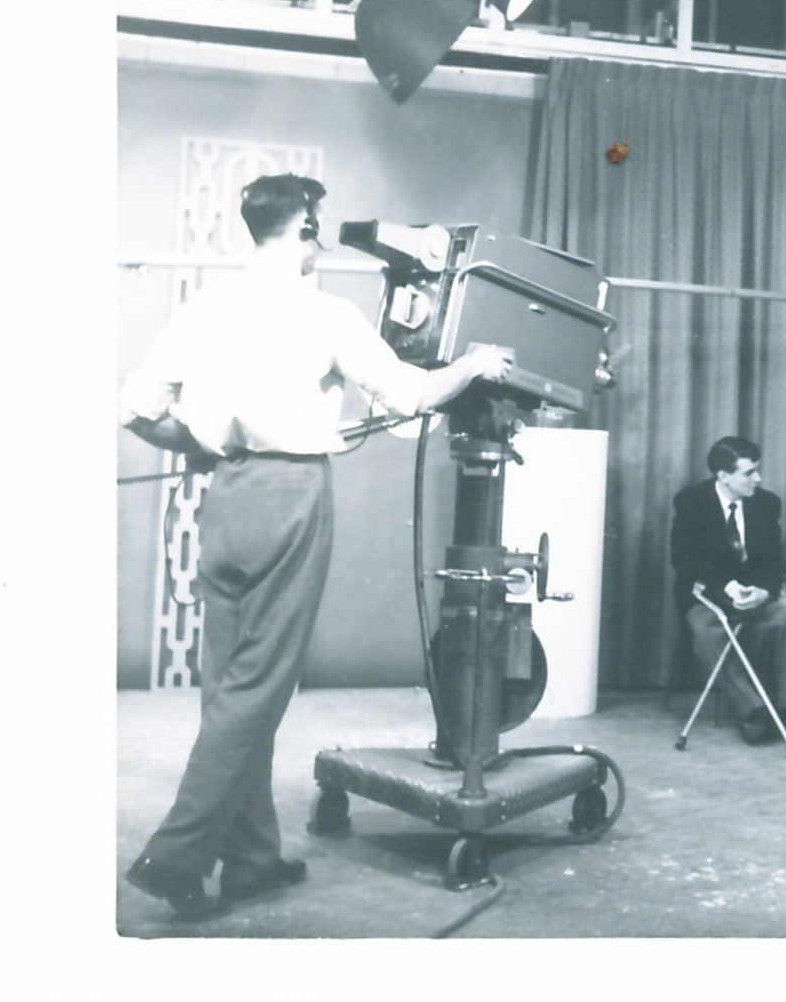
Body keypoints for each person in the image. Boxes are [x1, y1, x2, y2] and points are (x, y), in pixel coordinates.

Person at [118, 174, 513, 920]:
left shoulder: (203, 308)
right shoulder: (325, 314)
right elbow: (409, 394)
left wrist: (201, 448)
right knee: (256, 690)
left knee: (229, 687)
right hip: (290, 494)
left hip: (227, 497)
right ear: (304, 226)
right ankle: (175, 859)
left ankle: (251, 860)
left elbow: (136, 410)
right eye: (318, 223)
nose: (322, 236)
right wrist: (472, 366)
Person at [671, 436, 786, 746]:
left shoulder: (766, 503)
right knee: (708, 635)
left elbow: (774, 561)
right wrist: (728, 586)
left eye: (757, 470)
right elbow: (684, 559)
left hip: (756, 594)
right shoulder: (691, 502)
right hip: (709, 594)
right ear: (724, 476)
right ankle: (753, 710)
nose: (758, 478)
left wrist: (764, 591)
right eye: (749, 472)